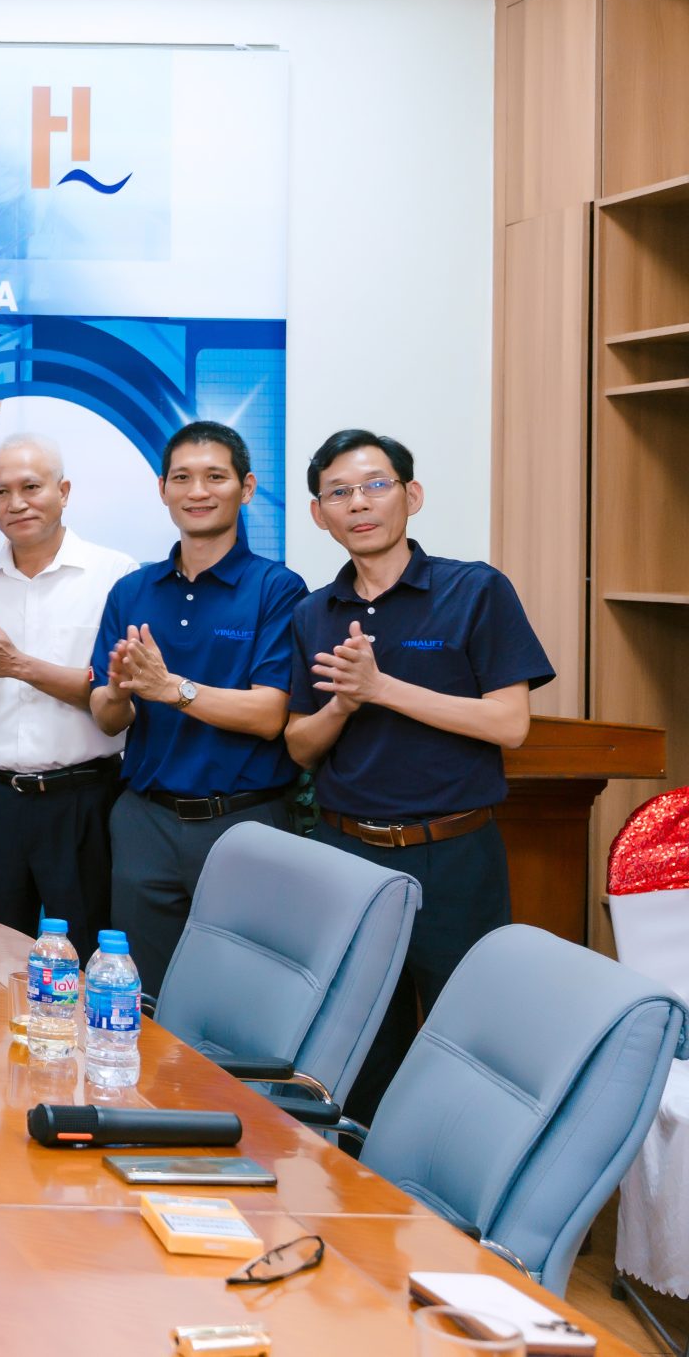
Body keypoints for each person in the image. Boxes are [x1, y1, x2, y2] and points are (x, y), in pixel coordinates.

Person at [283, 429, 552, 1117]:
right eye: (338, 493)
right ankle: (361, 1181)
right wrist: (343, 704)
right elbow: (300, 747)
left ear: (412, 495)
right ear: (318, 513)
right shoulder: (313, 612)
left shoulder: (475, 590)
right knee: (358, 1052)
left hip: (453, 854)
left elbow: (510, 725)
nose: (359, 503)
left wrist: (382, 688)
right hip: (347, 855)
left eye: (376, 485)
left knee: (470, 1045)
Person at [88, 420, 306, 1002]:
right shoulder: (132, 591)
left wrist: (171, 689)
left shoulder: (277, 588)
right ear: (162, 489)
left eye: (215, 477)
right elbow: (107, 718)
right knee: (143, 997)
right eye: (182, 478)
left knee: (245, 995)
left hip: (246, 822)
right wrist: (120, 691)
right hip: (145, 821)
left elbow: (269, 715)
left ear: (247, 488)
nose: (198, 491)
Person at [0, 434, 136, 940]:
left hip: (83, 797)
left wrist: (15, 664)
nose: (16, 503)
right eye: (1, 493)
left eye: (31, 487)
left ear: (63, 491)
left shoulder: (115, 576)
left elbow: (117, 696)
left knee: (87, 950)